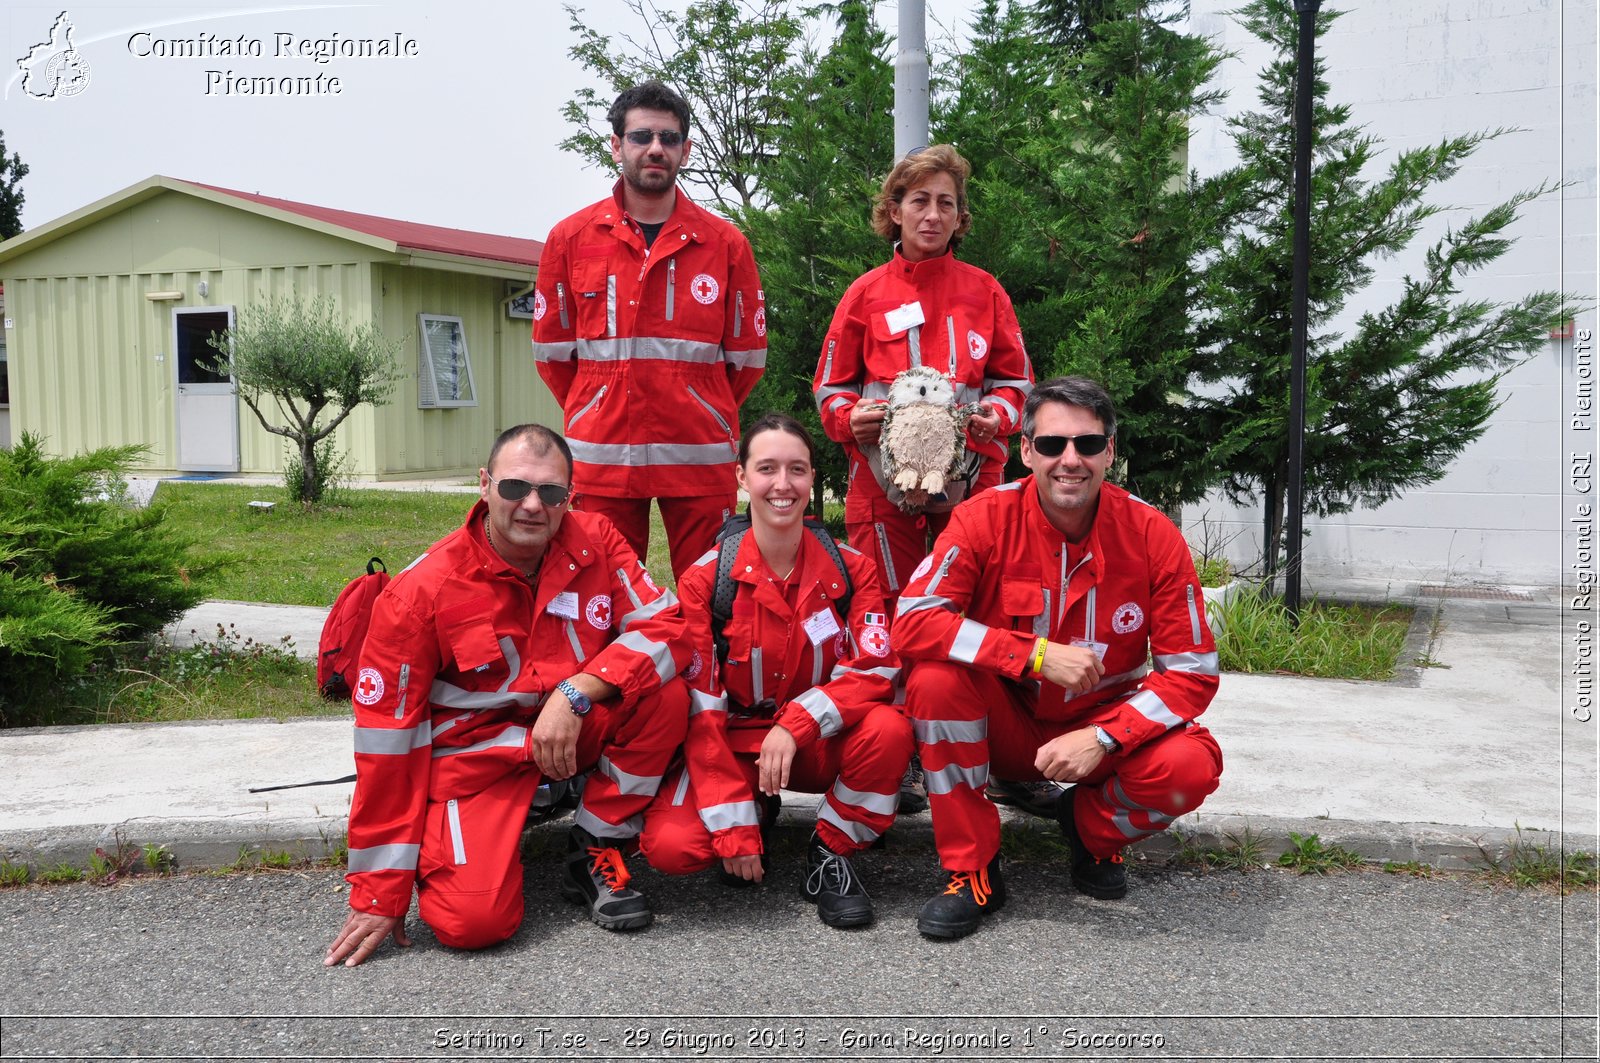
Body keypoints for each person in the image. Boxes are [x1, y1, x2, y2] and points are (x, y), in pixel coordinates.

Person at [324, 424, 691, 967]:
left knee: (665, 693)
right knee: (472, 924)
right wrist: (380, 892)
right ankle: (466, 830)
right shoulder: (419, 593)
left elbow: (669, 629)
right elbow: (386, 747)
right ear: (484, 484)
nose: (532, 506)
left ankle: (597, 843)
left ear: (572, 496)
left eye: (551, 492)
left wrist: (575, 693)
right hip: (478, 759)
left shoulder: (598, 541)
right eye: (515, 488)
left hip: (569, 726)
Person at [894, 377, 1224, 939]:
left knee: (1190, 767)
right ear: (1026, 451)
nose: (1070, 460)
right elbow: (913, 620)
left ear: (1110, 452)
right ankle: (970, 867)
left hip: (1098, 726)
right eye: (1051, 445)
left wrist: (1104, 738)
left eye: (1088, 445)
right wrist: (1034, 655)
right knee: (934, 680)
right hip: (1006, 723)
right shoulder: (982, 519)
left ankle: (1090, 830)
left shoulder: (1153, 534)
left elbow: (1192, 672)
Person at [811, 144, 1033, 814]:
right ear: (894, 211)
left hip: (975, 491)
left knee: (984, 614)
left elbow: (1016, 380)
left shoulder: (986, 291)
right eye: (918, 201)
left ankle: (999, 756)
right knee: (892, 617)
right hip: (883, 493)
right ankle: (906, 756)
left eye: (945, 203)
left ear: (960, 217)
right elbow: (828, 388)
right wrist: (854, 419)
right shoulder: (865, 295)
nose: (932, 214)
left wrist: (996, 415)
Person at [638, 413, 913, 928]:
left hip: (814, 744)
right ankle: (756, 812)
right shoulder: (705, 580)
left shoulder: (854, 569)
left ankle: (832, 849)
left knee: (889, 729)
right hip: (733, 743)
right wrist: (734, 832)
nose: (782, 485)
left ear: (813, 478)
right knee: (672, 849)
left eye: (797, 470)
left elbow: (876, 669)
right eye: (766, 469)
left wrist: (796, 724)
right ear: (741, 478)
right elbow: (701, 711)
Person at [532, 80, 766, 580]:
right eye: (641, 137)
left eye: (668, 137)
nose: (655, 148)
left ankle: (700, 662)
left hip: (699, 457)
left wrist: (697, 401)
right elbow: (552, 355)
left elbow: (746, 361)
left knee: (715, 595)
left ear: (684, 149)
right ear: (616, 145)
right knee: (599, 590)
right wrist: (596, 402)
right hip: (602, 456)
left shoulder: (726, 244)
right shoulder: (569, 239)